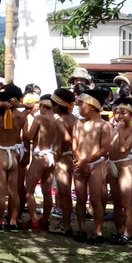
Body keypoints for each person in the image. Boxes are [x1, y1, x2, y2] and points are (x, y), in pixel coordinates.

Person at [72, 87, 112, 243]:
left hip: (96, 164)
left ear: (93, 106)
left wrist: (86, 160)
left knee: (96, 200)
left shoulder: (104, 125)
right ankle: (81, 228)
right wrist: (79, 159)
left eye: (81, 104)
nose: (79, 107)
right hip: (80, 162)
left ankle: (98, 231)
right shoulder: (78, 123)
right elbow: (74, 143)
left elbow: (104, 148)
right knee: (80, 199)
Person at [0, 84, 27, 230]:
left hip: (0, 154)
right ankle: (13, 220)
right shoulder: (21, 116)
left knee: (0, 190)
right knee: (13, 191)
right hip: (13, 154)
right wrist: (19, 105)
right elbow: (31, 107)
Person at [106, 96, 132, 244]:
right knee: (116, 201)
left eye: (124, 113)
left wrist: (119, 131)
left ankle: (127, 232)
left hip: (124, 165)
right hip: (112, 164)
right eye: (118, 112)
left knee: (127, 202)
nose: (120, 115)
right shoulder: (114, 127)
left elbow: (124, 148)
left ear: (131, 115)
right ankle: (119, 229)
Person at [23, 94, 57, 232]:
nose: (40, 108)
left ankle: (34, 220)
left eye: (42, 106)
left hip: (39, 156)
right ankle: (45, 220)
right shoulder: (57, 121)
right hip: (51, 156)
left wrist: (25, 125)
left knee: (29, 190)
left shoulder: (39, 118)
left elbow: (29, 136)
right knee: (47, 192)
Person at [50, 88, 77, 236]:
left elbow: (67, 138)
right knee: (64, 193)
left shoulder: (60, 120)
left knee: (65, 194)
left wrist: (60, 149)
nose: (52, 107)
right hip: (71, 156)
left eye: (53, 104)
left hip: (63, 158)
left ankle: (66, 226)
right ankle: (65, 223)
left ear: (59, 105)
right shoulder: (75, 119)